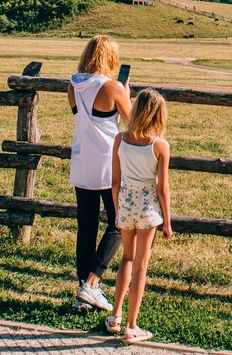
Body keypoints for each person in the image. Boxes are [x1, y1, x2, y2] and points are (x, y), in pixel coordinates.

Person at [68, 35, 132, 312]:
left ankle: (82, 289)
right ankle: (93, 282)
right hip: (109, 161)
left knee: (87, 226)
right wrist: (126, 95)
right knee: (119, 222)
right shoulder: (112, 87)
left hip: (82, 160)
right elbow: (132, 122)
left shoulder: (73, 85)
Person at [105, 89, 172, 344]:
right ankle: (132, 326)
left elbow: (114, 180)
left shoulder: (120, 139)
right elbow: (162, 188)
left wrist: (117, 209)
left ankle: (115, 315)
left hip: (125, 202)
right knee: (141, 266)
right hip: (147, 208)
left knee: (126, 260)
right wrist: (167, 220)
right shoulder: (159, 146)